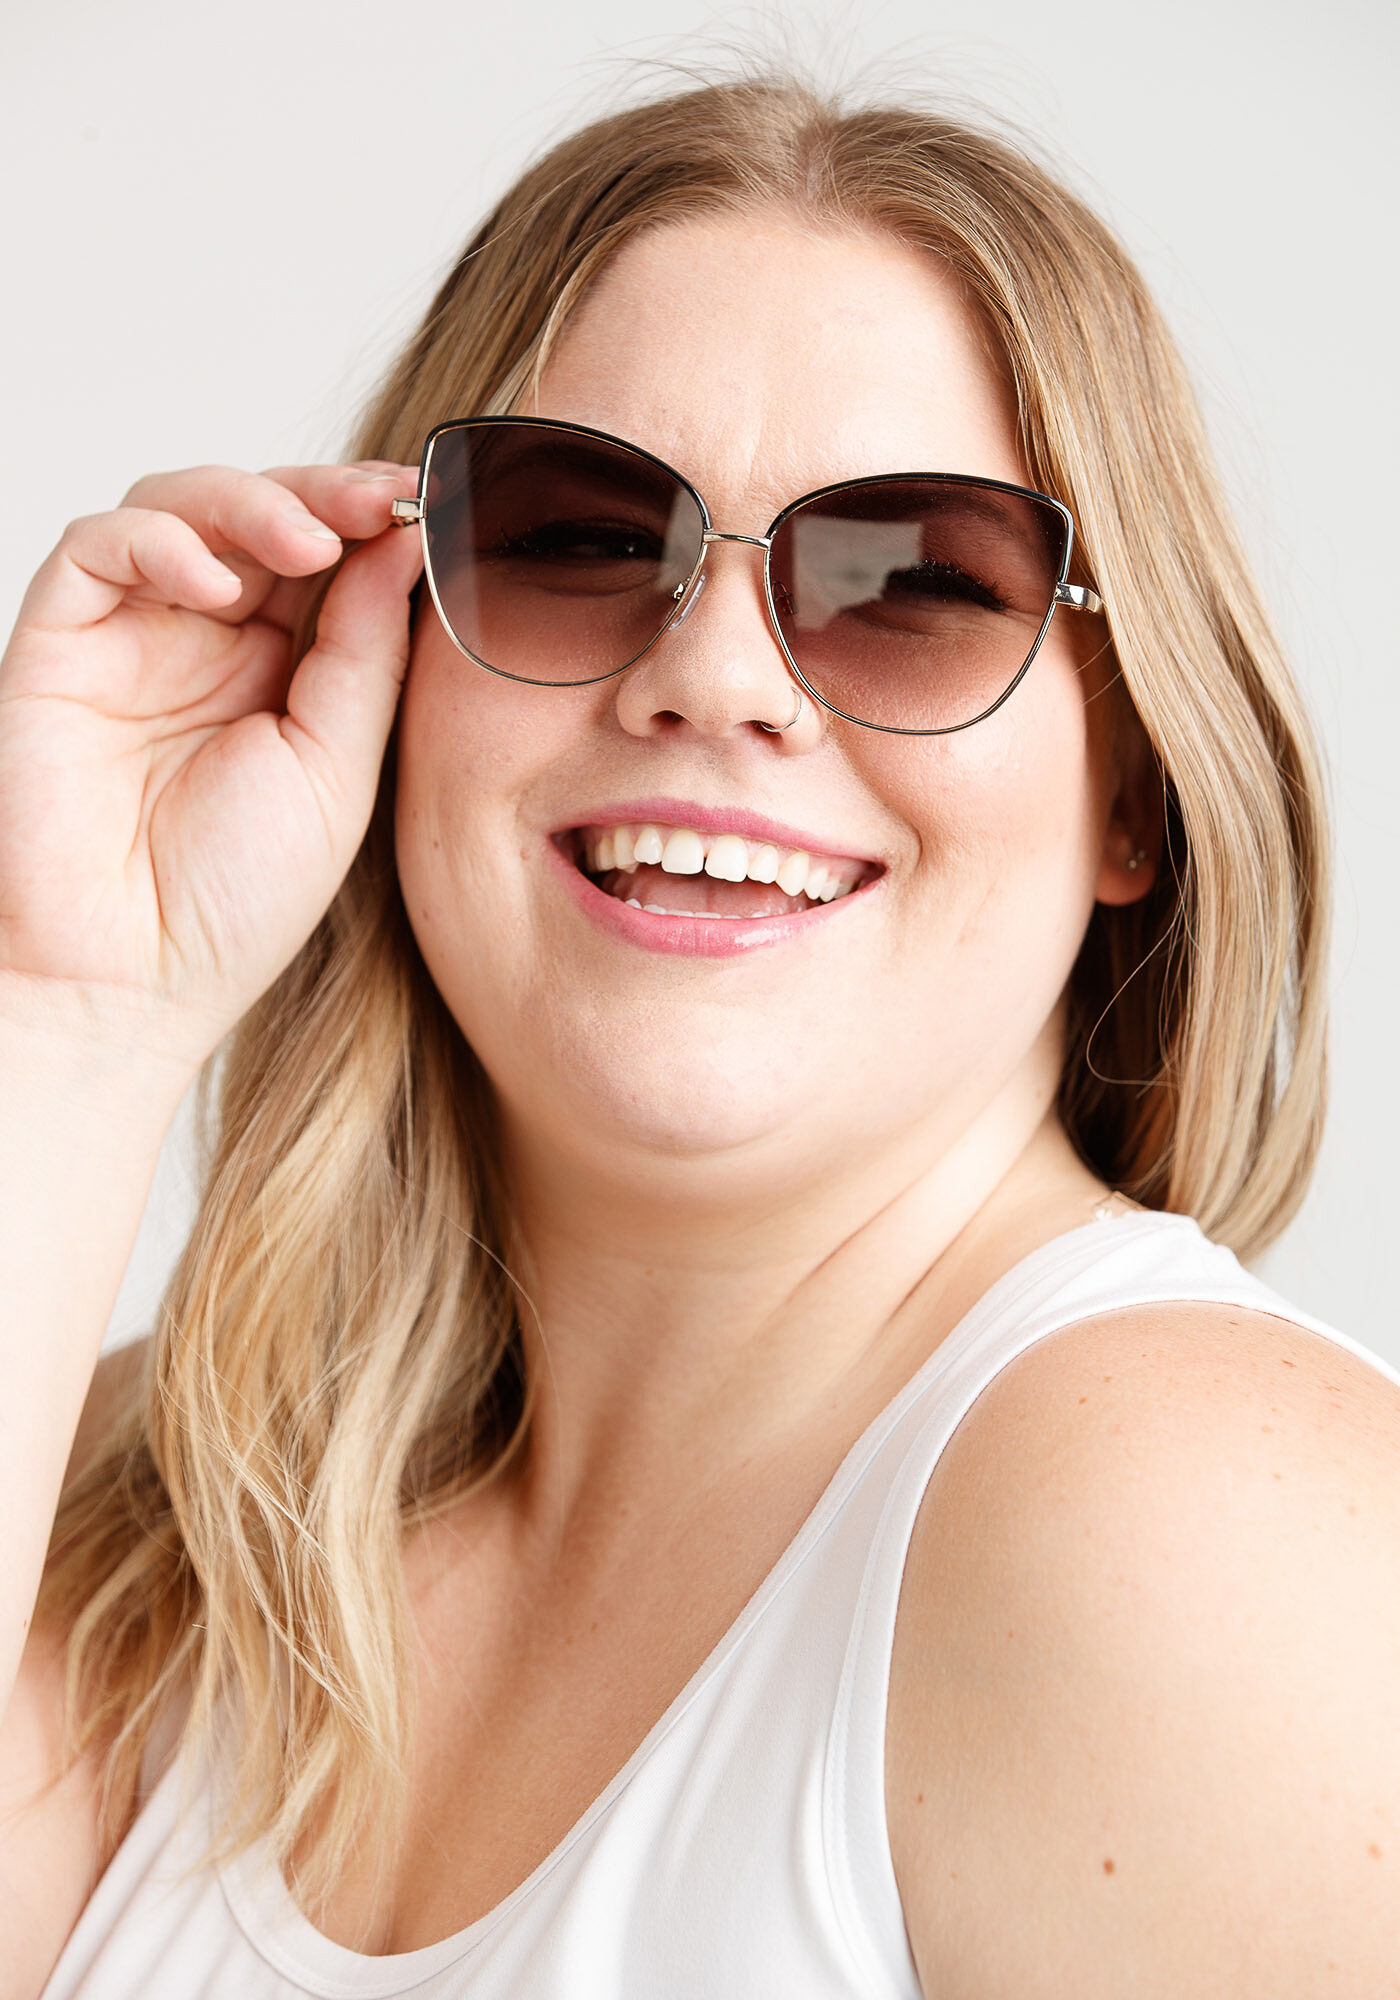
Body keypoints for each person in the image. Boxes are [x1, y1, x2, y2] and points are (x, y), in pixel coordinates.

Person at [1, 71, 1397, 1999]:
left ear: (1136, 793)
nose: (717, 676)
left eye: (917, 583)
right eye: (579, 541)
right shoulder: (147, 1521)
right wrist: (70, 1012)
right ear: (384, 646)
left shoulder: (1195, 1535)